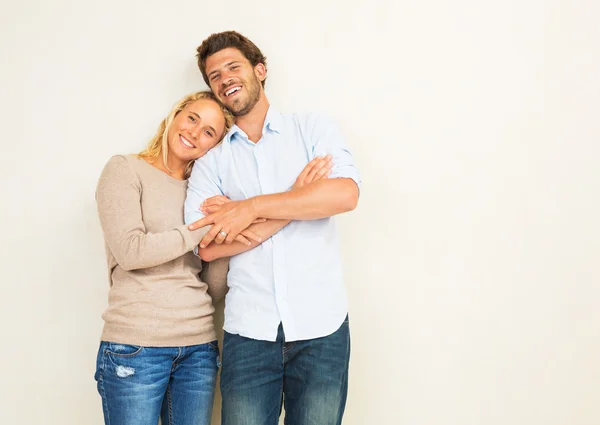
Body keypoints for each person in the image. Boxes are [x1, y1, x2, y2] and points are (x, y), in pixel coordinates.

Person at [184, 31, 362, 425]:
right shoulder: (212, 161)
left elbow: (344, 195)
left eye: (233, 66)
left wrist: (248, 209)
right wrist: (298, 199)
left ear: (259, 70)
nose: (225, 78)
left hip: (322, 325)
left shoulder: (311, 129)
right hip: (250, 329)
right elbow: (207, 245)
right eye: (214, 75)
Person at [93, 90, 254, 425]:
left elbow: (212, 287)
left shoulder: (204, 193)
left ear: (215, 146)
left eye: (209, 132)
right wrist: (203, 227)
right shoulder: (125, 169)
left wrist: (226, 234)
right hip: (135, 346)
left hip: (199, 347)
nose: (195, 132)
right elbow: (131, 251)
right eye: (192, 118)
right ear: (175, 115)